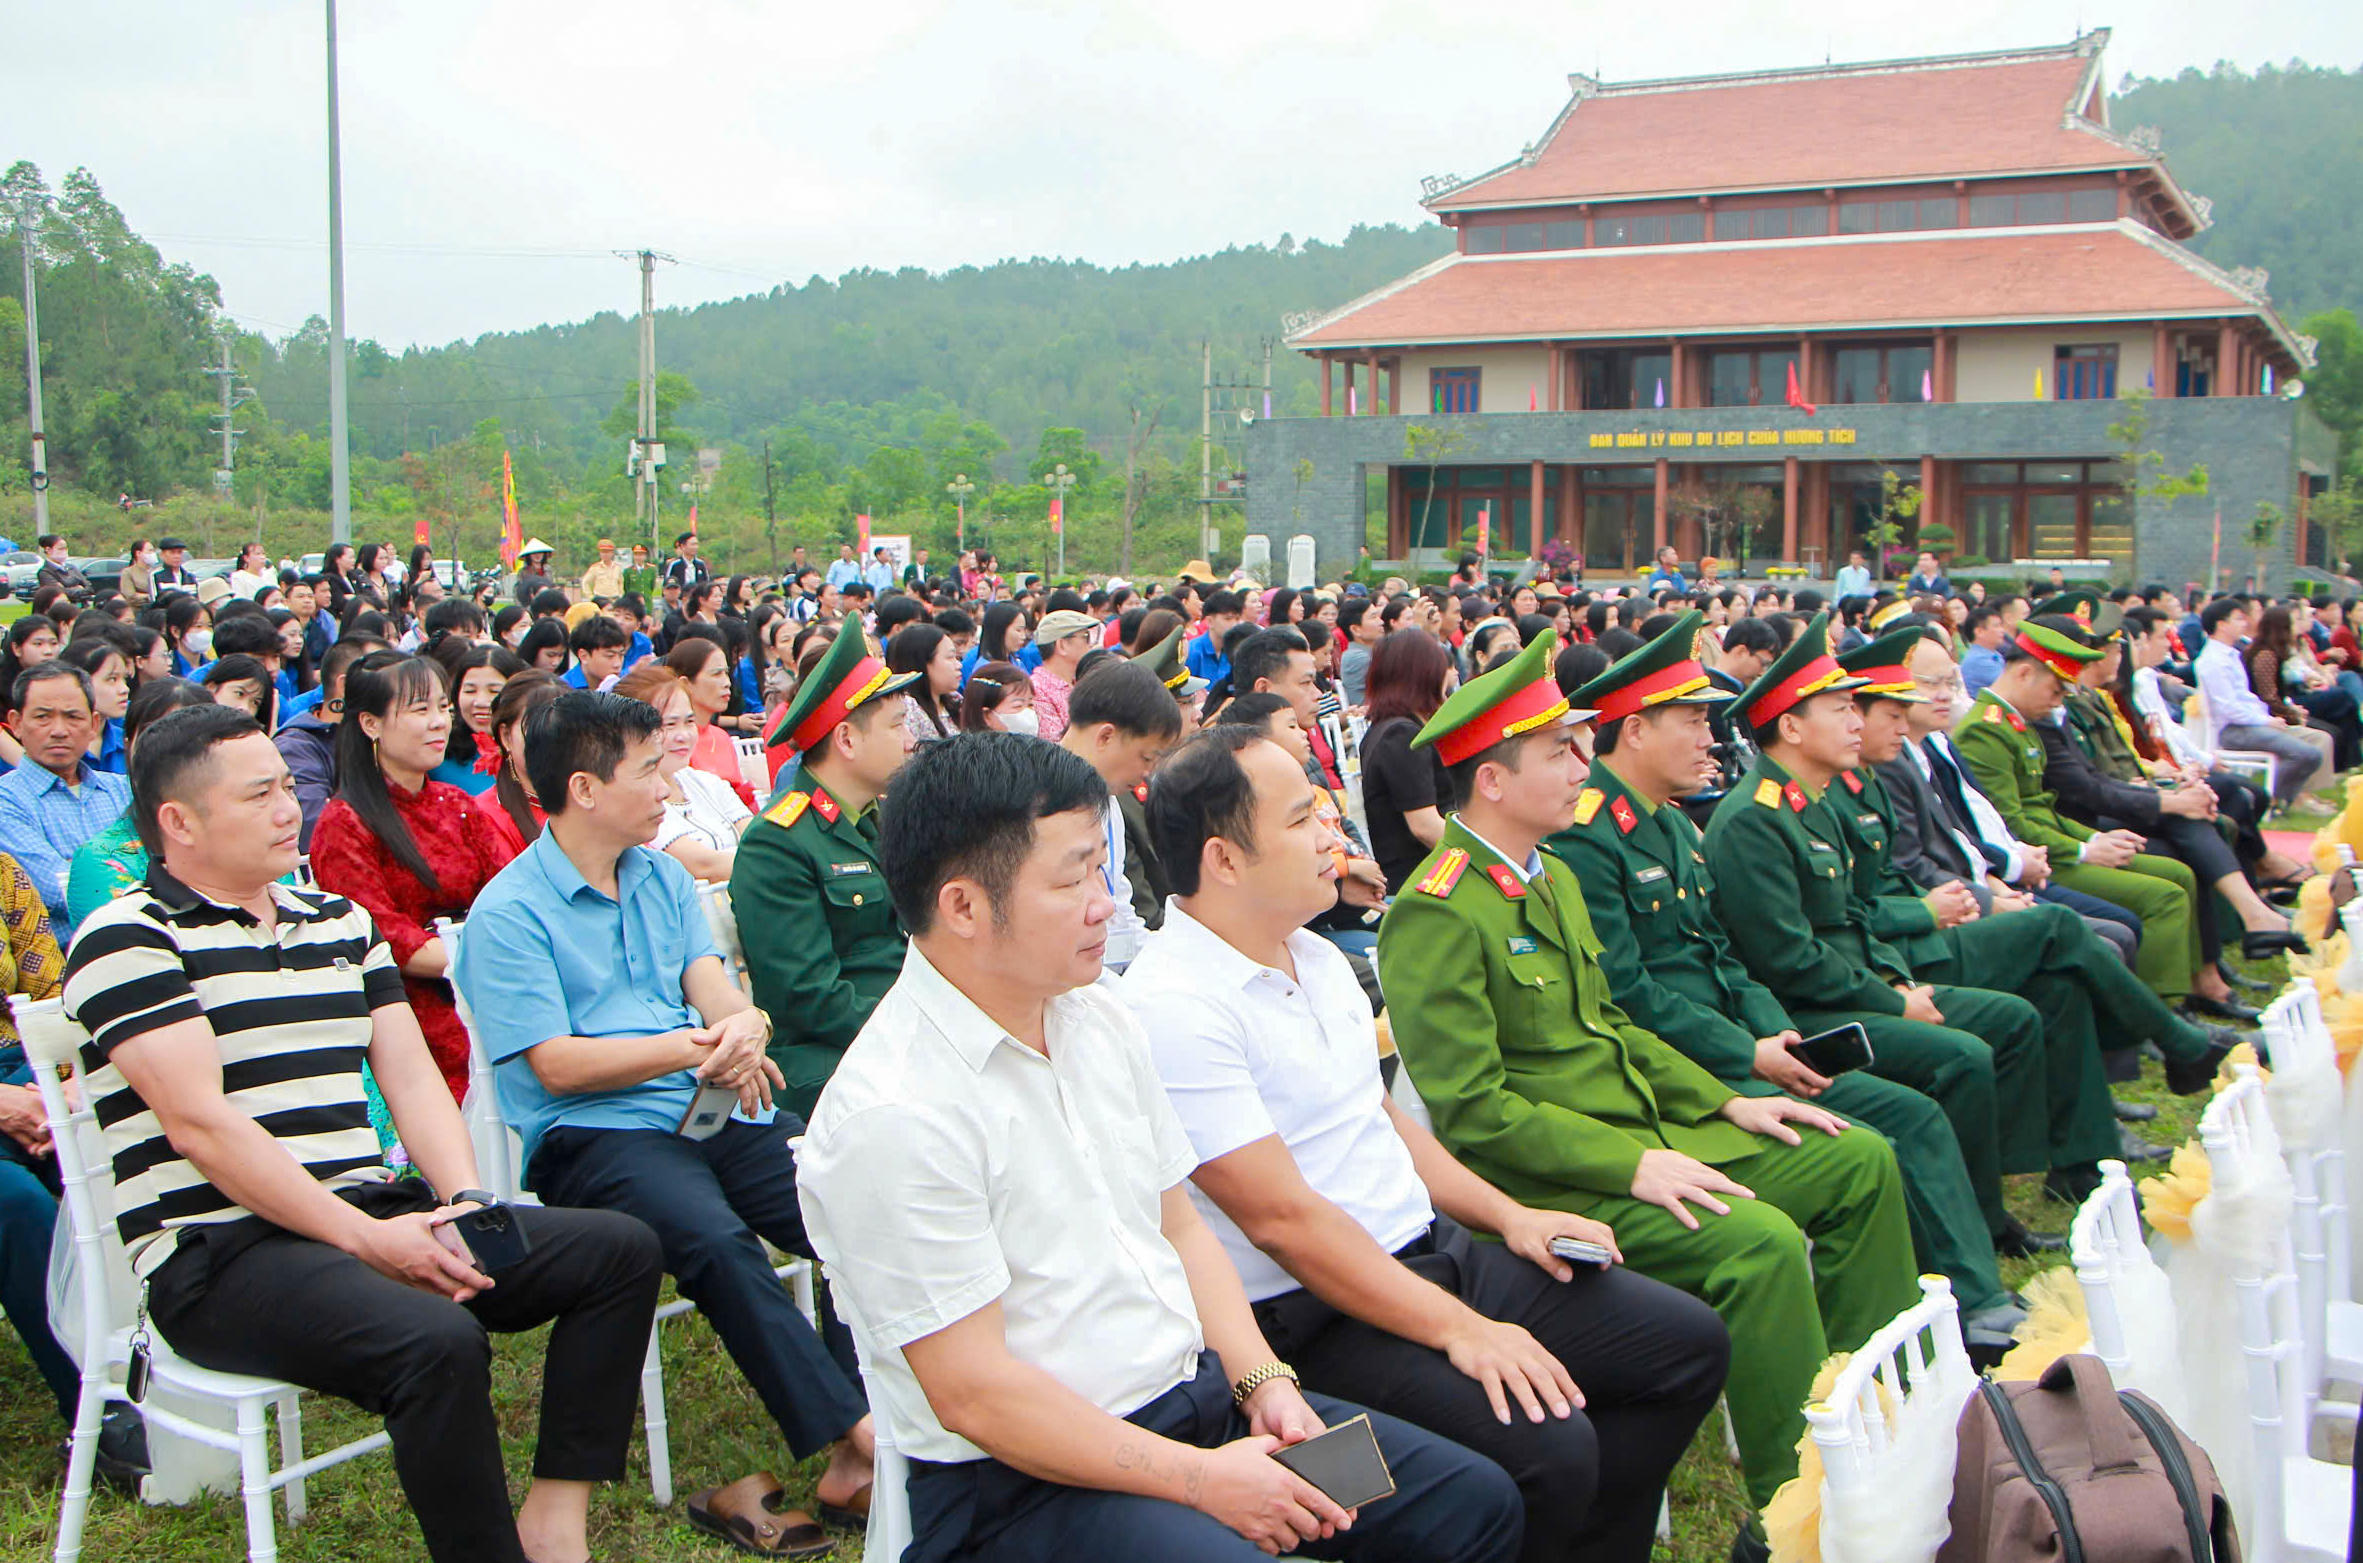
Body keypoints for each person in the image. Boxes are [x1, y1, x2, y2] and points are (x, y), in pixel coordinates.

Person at [798, 730, 1525, 1563]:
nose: (1107, 901)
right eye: (1072, 878)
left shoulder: (1098, 1012)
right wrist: (1198, 1481)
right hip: (1028, 1487)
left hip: (1196, 1406)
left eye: (1101, 867)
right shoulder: (894, 1113)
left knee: (1468, 1504)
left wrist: (1265, 1383)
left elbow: (1178, 1226)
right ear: (962, 906)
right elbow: (975, 1395)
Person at [63, 702, 663, 1563]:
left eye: (285, 787)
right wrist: (371, 1240)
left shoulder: (335, 921)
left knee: (618, 1249)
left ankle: (554, 1517)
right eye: (260, 794)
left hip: (369, 1211)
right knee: (436, 1339)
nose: (288, 808)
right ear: (178, 822)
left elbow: (412, 1076)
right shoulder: (129, 937)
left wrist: (460, 1199)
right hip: (222, 1254)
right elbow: (201, 1126)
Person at [1130, 724, 1727, 1563]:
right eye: (1302, 818)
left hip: (1429, 1251)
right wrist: (1460, 1328)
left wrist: (1507, 1214)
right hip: (1314, 1311)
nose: (1331, 830)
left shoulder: (1314, 953)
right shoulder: (1176, 1005)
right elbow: (1282, 1221)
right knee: (1550, 1447)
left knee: (1683, 1345)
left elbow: (1379, 1120)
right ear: (1225, 860)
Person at [1374, 628, 1916, 1540]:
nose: (1585, 763)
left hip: (1651, 1134)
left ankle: (1877, 1412)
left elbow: (1612, 1024)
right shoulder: (1436, 909)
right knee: (1760, 1244)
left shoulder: (1546, 877)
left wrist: (1726, 1098)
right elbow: (1473, 1111)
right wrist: (1631, 1166)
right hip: (1559, 1178)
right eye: (1560, 751)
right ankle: (1802, 1509)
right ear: (1494, 780)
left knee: (1858, 1158)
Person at [455, 692, 876, 1545]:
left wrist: (742, 1028)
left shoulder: (657, 875)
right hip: (594, 1135)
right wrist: (694, 1046)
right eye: (648, 769)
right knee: (717, 1243)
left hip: (705, 1105)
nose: (668, 784)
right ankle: (857, 1436)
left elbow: (710, 980)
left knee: (847, 1202)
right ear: (582, 787)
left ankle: (875, 1419)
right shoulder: (508, 913)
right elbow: (556, 1065)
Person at [1555, 614, 2028, 1348]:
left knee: (1908, 1113)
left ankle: (1961, 1297)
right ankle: (1904, 1329)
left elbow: (1720, 952)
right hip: (1688, 1067)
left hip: (1747, 1042)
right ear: (1637, 731)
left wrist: (1774, 1028)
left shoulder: (1673, 826)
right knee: (1871, 1136)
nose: (1711, 738)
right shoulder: (1590, 834)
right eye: (1690, 721)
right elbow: (1629, 994)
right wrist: (1748, 1053)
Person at [1958, 617, 2243, 1018]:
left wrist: (2091, 842)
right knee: (2164, 896)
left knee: (2179, 874)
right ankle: (2160, 1009)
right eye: (2056, 689)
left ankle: (2195, 984)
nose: (2060, 701)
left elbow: (2044, 806)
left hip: (2051, 845)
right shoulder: (1984, 731)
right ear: (2024, 673)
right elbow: (2013, 823)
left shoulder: (2016, 724)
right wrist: (2083, 848)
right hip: (2037, 860)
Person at [311, 654, 521, 1106]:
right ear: (370, 723)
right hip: (409, 1002)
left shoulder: (455, 803)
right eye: (419, 710)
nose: (439, 724)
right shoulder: (344, 823)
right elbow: (380, 933)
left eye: (442, 708)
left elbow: (509, 892)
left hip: (483, 973)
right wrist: (481, 956)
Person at [731, 625, 919, 1115]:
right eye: (897, 725)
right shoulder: (779, 841)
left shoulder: (874, 821)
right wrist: (920, 1028)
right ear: (847, 740)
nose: (910, 740)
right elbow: (807, 997)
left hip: (894, 1033)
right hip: (830, 1056)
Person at [1055, 662, 1182, 973]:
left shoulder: (1109, 802)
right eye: (1147, 757)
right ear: (1106, 737)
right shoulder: (1043, 808)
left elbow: (1119, 901)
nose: (1147, 773)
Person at [0, 663, 134, 937]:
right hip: (67, 961)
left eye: (73, 716)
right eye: (42, 717)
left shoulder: (120, 788)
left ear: (94, 724)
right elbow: (59, 888)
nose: (59, 730)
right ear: (16, 724)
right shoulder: (7, 799)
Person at [613, 661, 751, 882]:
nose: (683, 735)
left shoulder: (707, 782)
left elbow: (759, 840)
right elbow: (703, 865)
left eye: (689, 722)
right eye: (668, 725)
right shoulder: (632, 801)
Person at [2193, 596, 2333, 807]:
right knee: (2305, 753)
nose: (2245, 623)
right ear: (2221, 625)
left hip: (2250, 723)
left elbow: (2246, 698)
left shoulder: (2230, 655)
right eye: (2238, 619)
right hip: (2234, 730)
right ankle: (2268, 799)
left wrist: (2267, 718)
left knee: (2316, 741)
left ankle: (2280, 798)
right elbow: (2228, 708)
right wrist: (2265, 721)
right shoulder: (2213, 661)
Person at [1360, 629, 1458, 892]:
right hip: (1424, 878)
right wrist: (1481, 858)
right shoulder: (1401, 735)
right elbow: (1425, 826)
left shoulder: (1385, 729)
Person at [663, 636, 759, 807]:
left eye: (726, 673)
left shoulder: (721, 737)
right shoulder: (674, 743)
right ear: (686, 683)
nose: (727, 683)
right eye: (716, 674)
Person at [1027, 609, 1099, 743]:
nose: (1091, 645)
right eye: (1086, 636)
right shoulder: (1037, 690)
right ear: (1062, 645)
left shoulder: (1081, 682)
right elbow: (1055, 748)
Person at [35, 535, 91, 604]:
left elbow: (89, 587)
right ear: (48, 550)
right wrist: (78, 588)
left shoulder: (71, 568)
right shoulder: (45, 572)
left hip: (82, 606)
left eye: (65, 548)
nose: (64, 551)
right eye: (60, 549)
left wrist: (67, 588)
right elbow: (59, 593)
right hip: (62, 610)